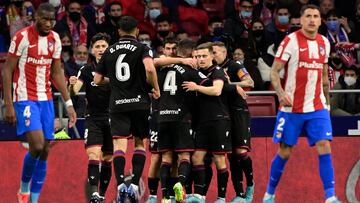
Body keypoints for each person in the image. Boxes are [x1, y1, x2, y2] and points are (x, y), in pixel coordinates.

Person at [263, 5, 341, 203]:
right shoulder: (290, 41)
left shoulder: (324, 42)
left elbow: (324, 77)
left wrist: (328, 105)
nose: (312, 20)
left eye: (316, 16)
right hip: (291, 109)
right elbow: (274, 71)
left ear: (320, 20)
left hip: (317, 107)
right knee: (285, 151)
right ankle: (269, 194)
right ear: (301, 19)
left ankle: (330, 197)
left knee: (325, 146)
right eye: (308, 16)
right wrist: (280, 94)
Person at [2, 3, 77, 203]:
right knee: (36, 144)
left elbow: (56, 73)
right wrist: (9, 105)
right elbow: (7, 70)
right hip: (25, 97)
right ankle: (24, 188)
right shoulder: (22, 37)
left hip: (46, 99)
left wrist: (69, 104)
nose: (48, 23)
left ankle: (33, 200)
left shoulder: (55, 39)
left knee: (45, 148)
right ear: (36, 17)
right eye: (44, 19)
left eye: (51, 20)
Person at [94, 15, 160, 203]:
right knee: (140, 143)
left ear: (119, 32)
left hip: (118, 104)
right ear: (137, 31)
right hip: (140, 103)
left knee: (119, 146)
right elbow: (149, 68)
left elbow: (97, 80)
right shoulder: (143, 48)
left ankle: (122, 185)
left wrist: (113, 83)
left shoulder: (109, 50)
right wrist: (155, 87)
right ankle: (134, 186)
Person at [157, 39, 210, 203]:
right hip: (181, 118)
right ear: (190, 53)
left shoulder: (163, 68)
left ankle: (165, 197)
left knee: (166, 158)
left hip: (162, 116)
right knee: (184, 156)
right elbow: (209, 84)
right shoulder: (190, 70)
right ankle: (180, 184)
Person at [68, 33, 112, 203]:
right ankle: (93, 194)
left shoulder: (117, 69)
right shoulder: (86, 70)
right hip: (93, 118)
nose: (101, 49)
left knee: (108, 159)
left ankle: (101, 195)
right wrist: (71, 84)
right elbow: (74, 92)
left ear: (109, 49)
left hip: (113, 119)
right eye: (97, 47)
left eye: (103, 46)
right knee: (93, 154)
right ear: (92, 51)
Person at [212, 42, 255, 203]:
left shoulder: (234, 65)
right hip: (222, 113)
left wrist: (231, 85)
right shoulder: (212, 70)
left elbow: (250, 82)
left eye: (215, 52)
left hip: (238, 111)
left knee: (241, 153)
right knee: (230, 156)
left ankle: (250, 184)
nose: (212, 55)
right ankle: (239, 194)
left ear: (224, 52)